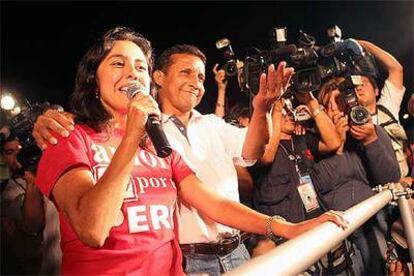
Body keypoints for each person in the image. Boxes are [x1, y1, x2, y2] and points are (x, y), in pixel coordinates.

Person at [34, 26, 348, 275]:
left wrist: (283, 227)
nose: (132, 73)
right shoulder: (68, 137)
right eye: (118, 63)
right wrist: (130, 138)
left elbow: (212, 202)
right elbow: (92, 229)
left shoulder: (158, 143)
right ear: (93, 78)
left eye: (140, 66)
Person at [315, 78, 401, 275]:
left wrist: (370, 141)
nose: (337, 110)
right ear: (322, 110)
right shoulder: (315, 143)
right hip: (339, 233)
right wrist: (336, 145)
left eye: (341, 104)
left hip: (373, 221)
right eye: (330, 105)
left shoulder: (372, 130)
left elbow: (391, 177)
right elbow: (320, 186)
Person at [1, 132, 61, 275]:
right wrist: (32, 180)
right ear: (3, 157)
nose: (19, 155)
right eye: (11, 152)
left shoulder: (55, 172)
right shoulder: (6, 193)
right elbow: (32, 224)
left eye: (23, 149)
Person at [355, 40, 408, 177]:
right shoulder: (348, 118)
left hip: (403, 184)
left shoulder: (386, 107)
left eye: (364, 84)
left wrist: (362, 44)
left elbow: (396, 69)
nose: (359, 87)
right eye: (355, 86)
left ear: (376, 91)